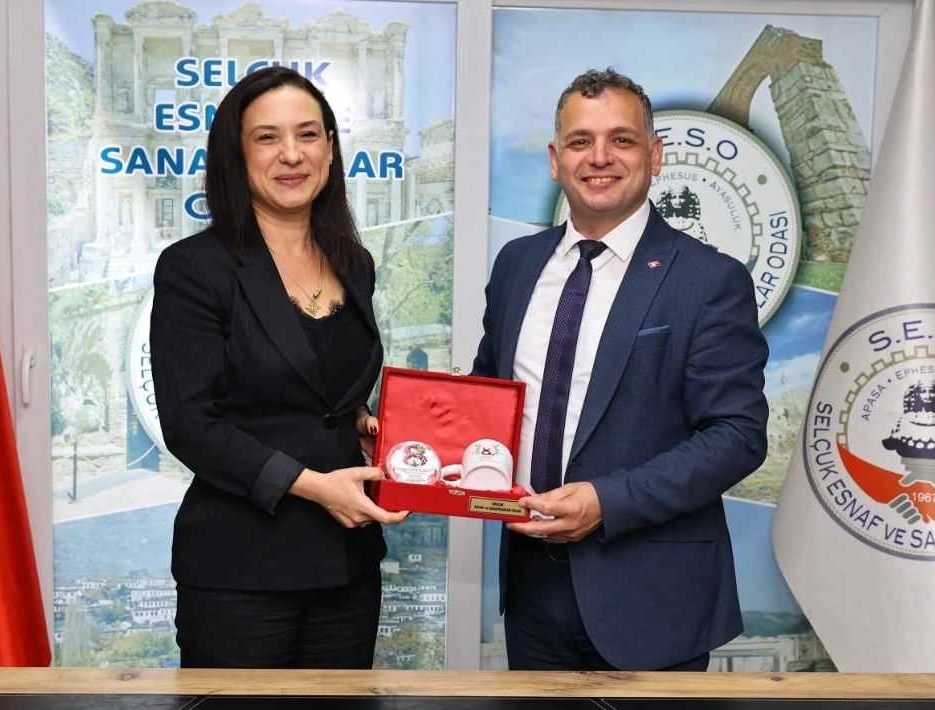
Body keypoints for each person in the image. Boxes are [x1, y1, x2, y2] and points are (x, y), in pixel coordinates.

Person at [471, 68, 769, 672]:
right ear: (555, 159)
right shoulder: (516, 264)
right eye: (580, 141)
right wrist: (411, 434)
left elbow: (736, 435)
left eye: (622, 140)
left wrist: (608, 502)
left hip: (652, 597)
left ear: (654, 156)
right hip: (530, 590)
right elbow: (489, 395)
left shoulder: (709, 279)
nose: (599, 157)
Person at [150, 66, 407, 670]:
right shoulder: (194, 268)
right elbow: (191, 425)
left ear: (330, 148)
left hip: (348, 565)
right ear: (236, 154)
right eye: (267, 137)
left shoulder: (355, 262)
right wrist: (316, 486)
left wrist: (361, 419)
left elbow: (322, 392)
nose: (292, 154)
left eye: (308, 134)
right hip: (240, 568)